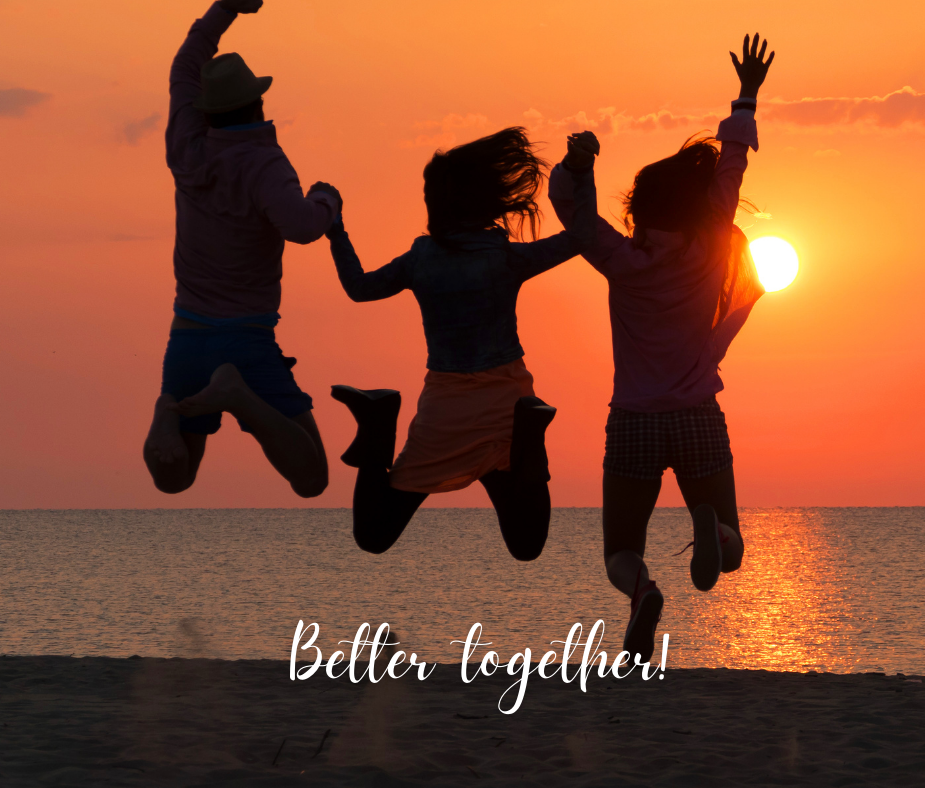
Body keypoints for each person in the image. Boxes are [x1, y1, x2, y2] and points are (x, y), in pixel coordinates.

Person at [549, 34, 774, 661]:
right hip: (699, 413)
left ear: (640, 206)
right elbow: (733, 163)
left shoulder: (621, 258)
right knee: (731, 552)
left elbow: (572, 209)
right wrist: (746, 95)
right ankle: (715, 529)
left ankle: (644, 590)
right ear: (698, 206)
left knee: (620, 548)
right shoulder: (711, 246)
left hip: (634, 422)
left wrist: (577, 163)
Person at [326, 127, 599, 559]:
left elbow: (359, 288)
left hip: (446, 406)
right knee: (527, 545)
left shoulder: (423, 259)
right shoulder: (504, 258)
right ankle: (530, 436)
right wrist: (580, 174)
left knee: (373, 535)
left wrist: (336, 230)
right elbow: (583, 236)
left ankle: (378, 423)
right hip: (505, 401)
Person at [143, 0, 341, 498]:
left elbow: (185, 64)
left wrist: (226, 7)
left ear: (208, 110)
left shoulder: (187, 148)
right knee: (312, 478)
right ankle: (239, 397)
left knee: (177, 479)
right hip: (247, 339)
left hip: (186, 336)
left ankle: (165, 411)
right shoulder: (264, 163)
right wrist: (326, 200)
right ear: (257, 105)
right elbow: (301, 227)